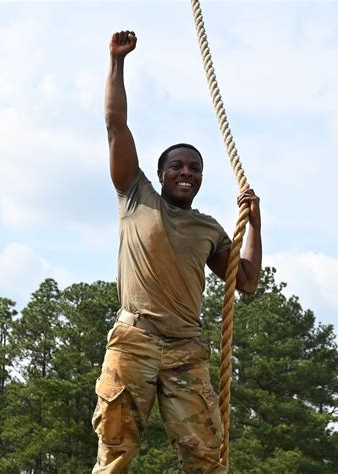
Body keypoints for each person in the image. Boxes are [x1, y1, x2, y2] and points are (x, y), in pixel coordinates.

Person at [92, 30, 262, 473]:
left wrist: (255, 228)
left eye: (195, 168)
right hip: (135, 341)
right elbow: (115, 125)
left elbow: (246, 282)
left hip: (186, 349)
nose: (186, 173)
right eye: (178, 166)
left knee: (205, 455)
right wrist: (117, 62)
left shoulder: (208, 228)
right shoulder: (136, 195)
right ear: (161, 173)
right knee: (115, 451)